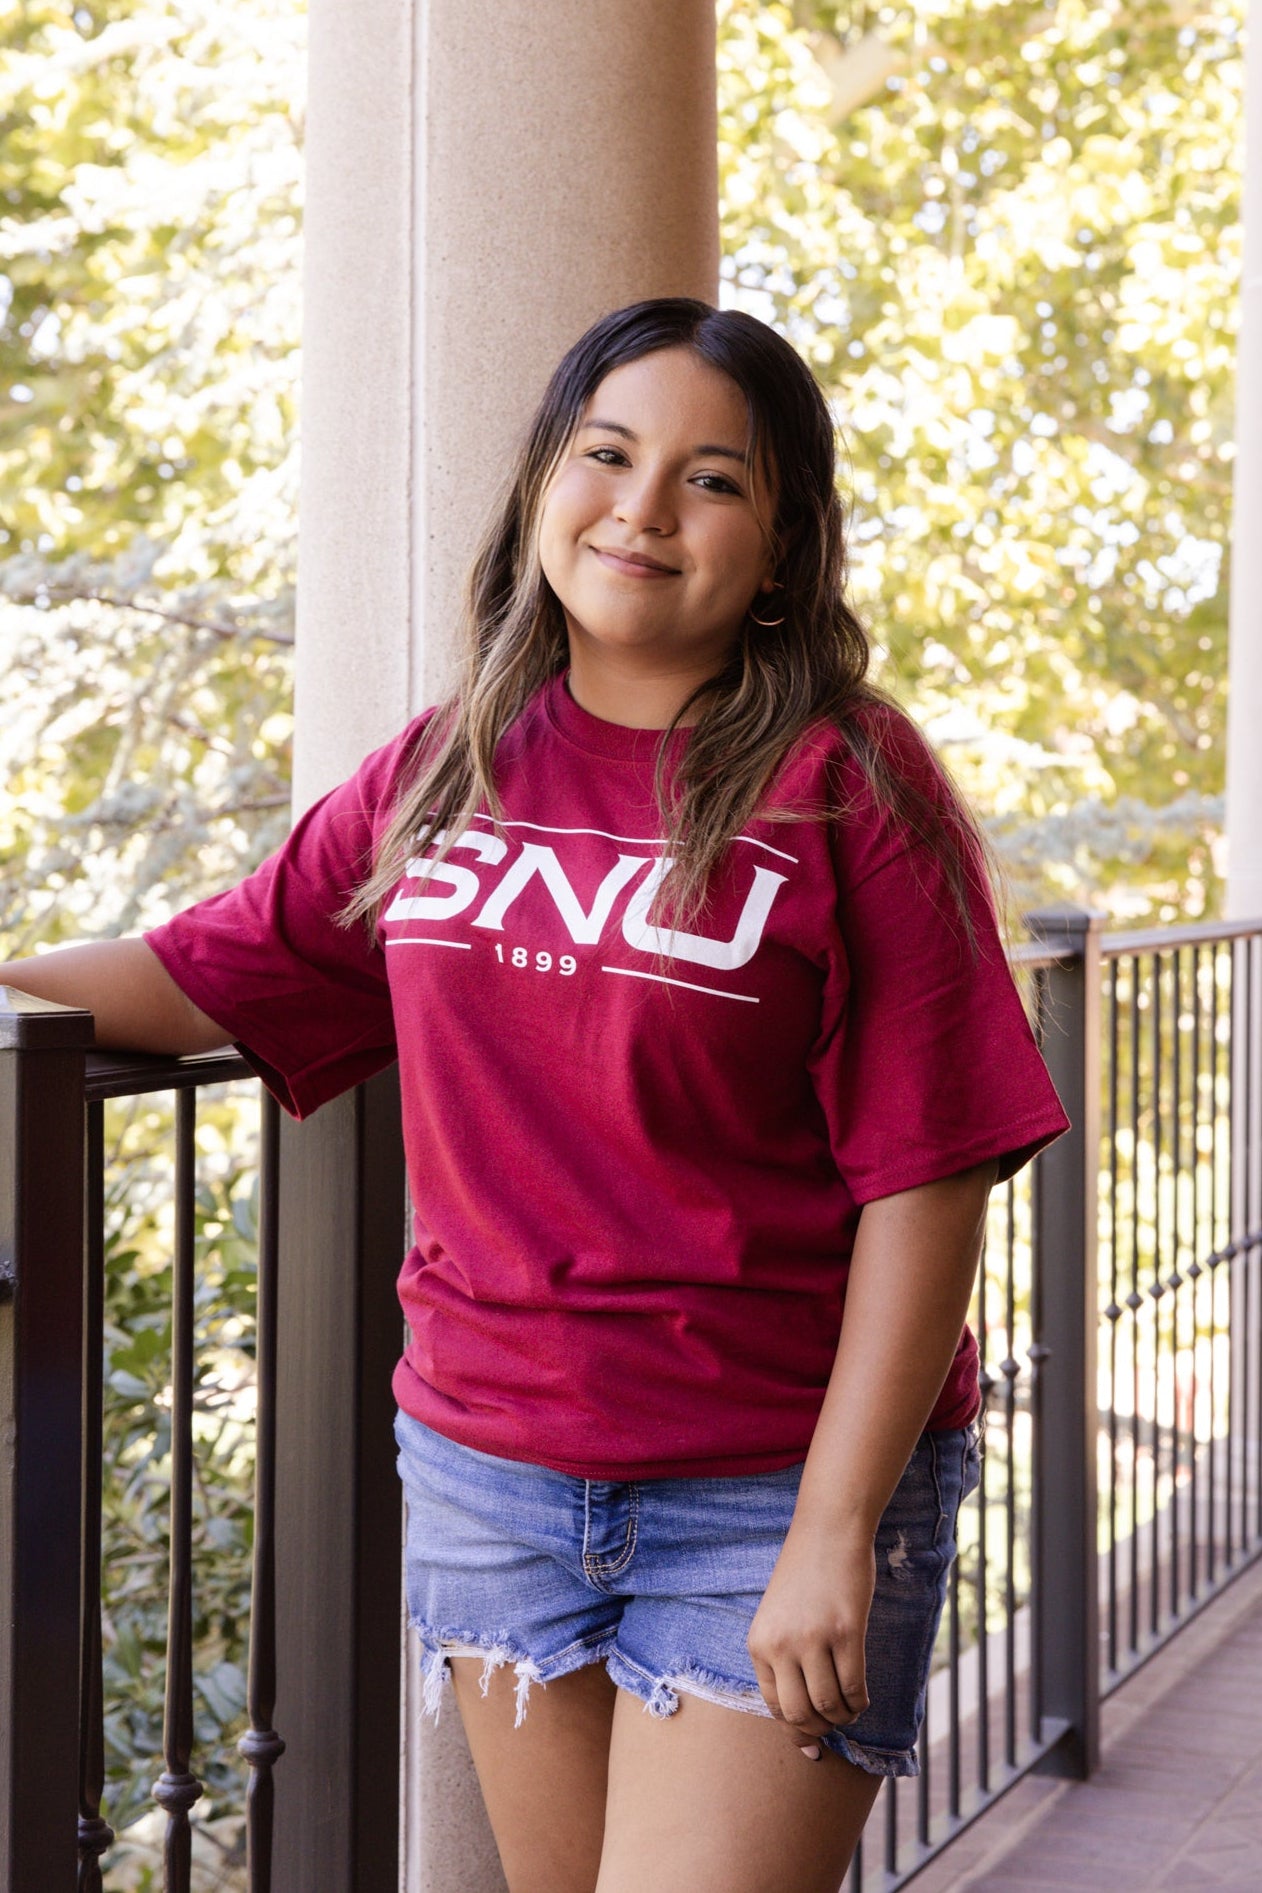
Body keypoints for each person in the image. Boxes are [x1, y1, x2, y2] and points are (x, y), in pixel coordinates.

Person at [2, 298, 1068, 1893]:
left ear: (778, 549)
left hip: (765, 1481)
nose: (642, 508)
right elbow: (205, 965)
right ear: (539, 488)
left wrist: (835, 1525)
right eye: (606, 454)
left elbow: (930, 1175)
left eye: (711, 480)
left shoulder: (845, 782)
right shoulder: (449, 765)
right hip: (491, 1471)